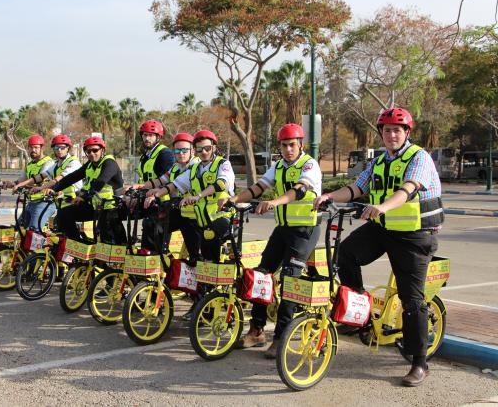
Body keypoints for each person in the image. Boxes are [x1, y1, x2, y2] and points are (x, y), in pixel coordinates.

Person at [314, 107, 444, 387]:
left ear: (407, 133)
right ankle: (358, 308)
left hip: (414, 234)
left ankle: (420, 362)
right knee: (345, 253)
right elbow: (356, 188)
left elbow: (408, 188)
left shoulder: (419, 158)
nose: (392, 134)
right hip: (384, 227)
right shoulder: (380, 162)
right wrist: (328, 196)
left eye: (397, 130)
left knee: (412, 299)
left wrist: (381, 207)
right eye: (387, 130)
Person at [231, 123, 322, 359]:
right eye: (284, 145)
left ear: (300, 144)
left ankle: (280, 337)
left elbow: (299, 191)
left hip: (304, 231)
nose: (288, 149)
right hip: (283, 229)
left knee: (289, 282)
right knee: (261, 275)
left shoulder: (309, 165)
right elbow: (260, 187)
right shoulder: (278, 165)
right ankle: (257, 330)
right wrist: (234, 199)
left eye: (292, 144)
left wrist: (274, 202)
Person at [156, 129, 235, 320]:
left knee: (208, 258)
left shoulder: (223, 164)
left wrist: (198, 195)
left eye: (207, 148)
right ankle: (202, 304)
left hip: (222, 220)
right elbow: (176, 185)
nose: (204, 152)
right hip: (202, 221)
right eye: (199, 150)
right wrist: (153, 194)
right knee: (200, 263)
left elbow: (221, 184)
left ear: (214, 147)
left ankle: (214, 306)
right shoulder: (195, 168)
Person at [47, 136, 126, 245]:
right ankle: (78, 245)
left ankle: (115, 254)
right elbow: (72, 177)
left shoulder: (109, 163)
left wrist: (83, 197)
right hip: (95, 206)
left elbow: (100, 182)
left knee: (106, 237)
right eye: (88, 151)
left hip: (112, 207)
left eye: (95, 150)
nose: (92, 154)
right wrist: (53, 189)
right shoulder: (89, 165)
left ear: (102, 150)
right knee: (64, 214)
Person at [141, 132, 199, 255]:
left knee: (196, 256)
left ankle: (164, 256)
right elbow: (161, 180)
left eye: (184, 150)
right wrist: (138, 186)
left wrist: (156, 194)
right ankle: (156, 256)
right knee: (152, 222)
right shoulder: (175, 167)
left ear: (192, 151)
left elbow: (173, 186)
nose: (181, 153)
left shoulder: (196, 166)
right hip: (181, 210)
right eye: (177, 151)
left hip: (196, 215)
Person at [0, 135, 55, 230]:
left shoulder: (48, 162)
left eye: (36, 147)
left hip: (44, 203)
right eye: (30, 147)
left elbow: (39, 182)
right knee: (18, 230)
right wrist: (1, 183)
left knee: (33, 233)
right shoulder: (30, 165)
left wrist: (20, 186)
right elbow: (19, 182)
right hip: (31, 203)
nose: (33, 150)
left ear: (42, 148)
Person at [131, 120, 174, 251]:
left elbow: (167, 180)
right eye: (144, 135)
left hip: (162, 201)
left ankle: (153, 259)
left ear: (158, 137)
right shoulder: (145, 156)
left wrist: (150, 192)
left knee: (152, 229)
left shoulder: (164, 154)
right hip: (147, 198)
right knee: (116, 211)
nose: (147, 138)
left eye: (150, 135)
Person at [29, 134, 82, 209]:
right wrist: (19, 185)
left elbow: (58, 179)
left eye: (62, 148)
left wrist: (41, 188)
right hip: (62, 202)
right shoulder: (56, 164)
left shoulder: (73, 162)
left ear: (68, 148)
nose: (59, 150)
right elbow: (41, 176)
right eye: (56, 148)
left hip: (75, 201)